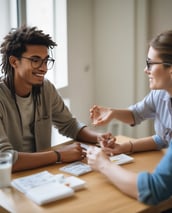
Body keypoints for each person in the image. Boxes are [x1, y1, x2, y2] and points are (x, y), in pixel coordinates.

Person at [0, 25, 113, 173]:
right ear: (14, 62)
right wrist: (58, 155)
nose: (44, 68)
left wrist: (98, 137)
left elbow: (70, 125)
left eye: (46, 61)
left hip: (41, 171)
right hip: (9, 179)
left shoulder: (46, 88)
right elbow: (4, 159)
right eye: (35, 60)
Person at [87, 30, 172, 205]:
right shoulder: (161, 94)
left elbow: (154, 189)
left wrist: (104, 165)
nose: (145, 70)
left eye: (150, 63)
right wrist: (124, 147)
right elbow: (163, 137)